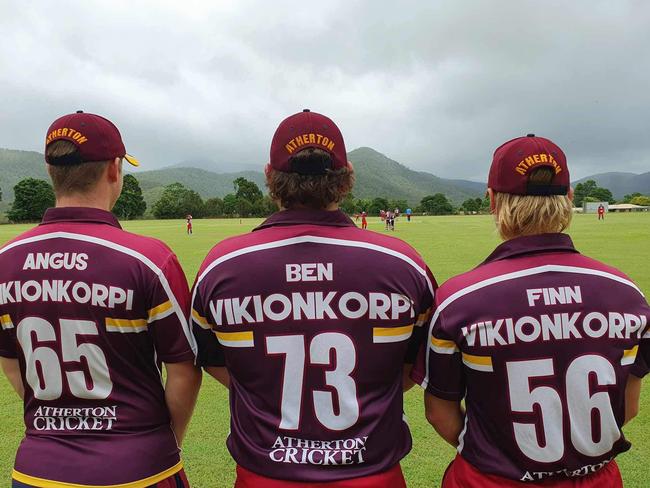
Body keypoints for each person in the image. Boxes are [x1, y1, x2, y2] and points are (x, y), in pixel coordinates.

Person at [191, 109, 436, 487]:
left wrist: (267, 387)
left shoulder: (223, 265)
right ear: (347, 177)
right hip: (374, 475)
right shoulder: (402, 264)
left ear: (270, 176)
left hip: (264, 475)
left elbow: (216, 363)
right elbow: (409, 370)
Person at [411, 134, 649, 487]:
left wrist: (494, 453)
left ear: (493, 201)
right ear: (569, 198)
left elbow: (438, 412)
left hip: (490, 479)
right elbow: (628, 408)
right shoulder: (627, 294)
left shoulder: (460, 299)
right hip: (596, 479)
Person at [0, 111, 202, 488]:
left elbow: (10, 362)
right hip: (139, 467)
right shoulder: (149, 259)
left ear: (50, 170)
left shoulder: (5, 260)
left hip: (37, 469)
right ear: (114, 169)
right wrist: (163, 442)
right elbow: (185, 370)